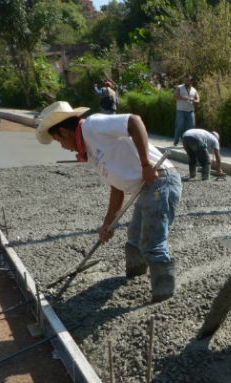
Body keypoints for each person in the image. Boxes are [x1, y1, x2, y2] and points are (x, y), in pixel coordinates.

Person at [35, 101, 182, 303]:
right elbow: (117, 186)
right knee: (134, 238)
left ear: (63, 132)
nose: (63, 147)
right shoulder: (90, 151)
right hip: (147, 186)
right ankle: (135, 275)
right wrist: (108, 223)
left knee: (152, 242)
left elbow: (134, 121)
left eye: (59, 142)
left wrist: (146, 164)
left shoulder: (92, 126)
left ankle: (163, 294)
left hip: (160, 178)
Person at [173, 75, 199, 146]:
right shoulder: (179, 87)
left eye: (188, 80)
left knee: (191, 128)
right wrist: (185, 98)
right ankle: (176, 141)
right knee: (180, 126)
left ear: (191, 81)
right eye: (185, 80)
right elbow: (175, 96)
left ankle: (188, 143)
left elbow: (198, 99)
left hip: (190, 111)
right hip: (180, 110)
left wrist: (194, 101)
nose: (186, 82)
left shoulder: (194, 90)